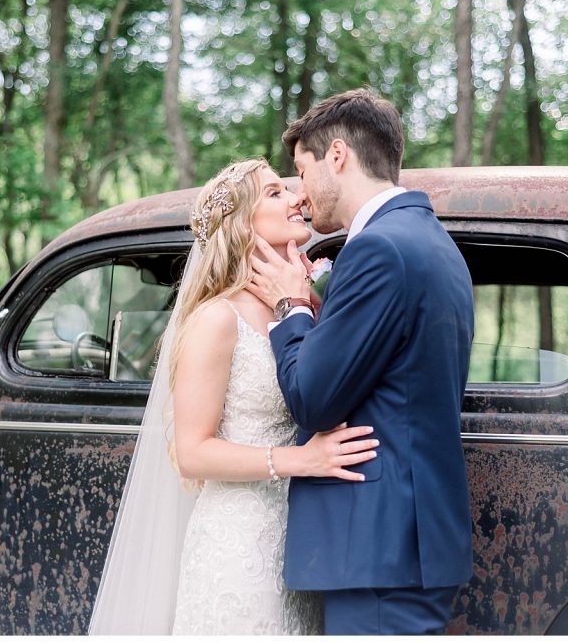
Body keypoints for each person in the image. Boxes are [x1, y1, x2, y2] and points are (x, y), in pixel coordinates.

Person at [88, 158, 378, 635]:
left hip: (301, 541)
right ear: (242, 225)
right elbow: (193, 451)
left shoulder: (303, 308)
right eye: (275, 193)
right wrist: (301, 460)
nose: (298, 198)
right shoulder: (217, 320)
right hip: (240, 543)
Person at [248, 88, 475, 635]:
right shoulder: (433, 242)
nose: (300, 195)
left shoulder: (378, 251)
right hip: (407, 540)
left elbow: (314, 398)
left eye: (301, 171)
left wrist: (291, 306)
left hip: (380, 544)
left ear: (338, 156)